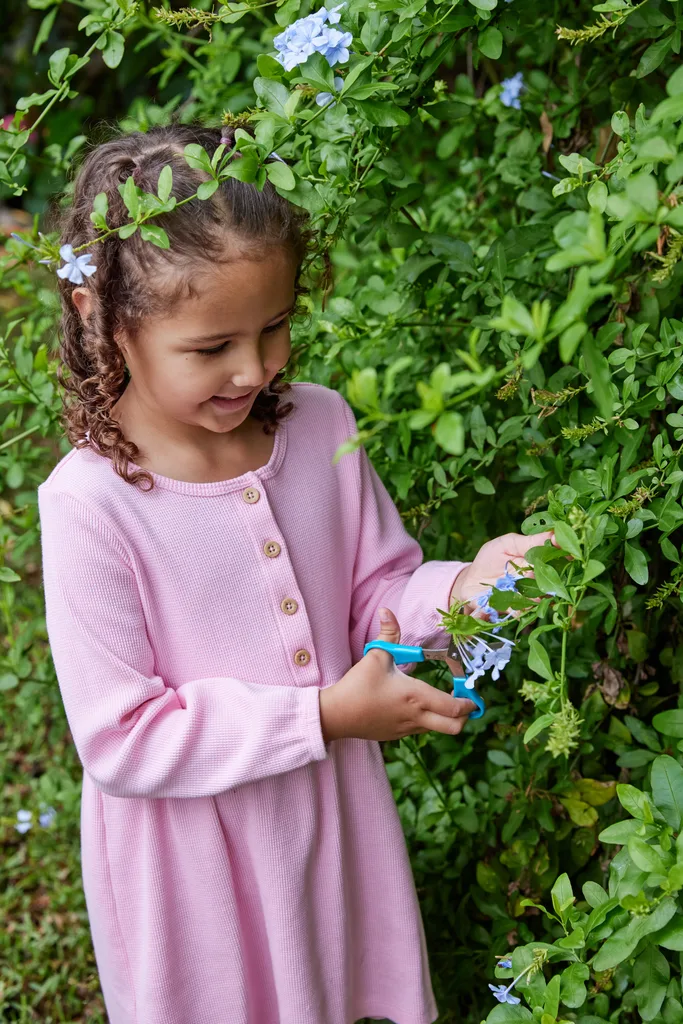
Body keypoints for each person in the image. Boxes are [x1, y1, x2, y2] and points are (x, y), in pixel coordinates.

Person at [37, 123, 552, 1024]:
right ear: (103, 321)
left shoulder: (316, 426)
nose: (255, 366)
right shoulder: (91, 505)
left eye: (274, 326)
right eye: (210, 348)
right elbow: (120, 737)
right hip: (195, 865)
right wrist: (321, 715)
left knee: (337, 988)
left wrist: (465, 587)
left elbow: (374, 591)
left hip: (327, 818)